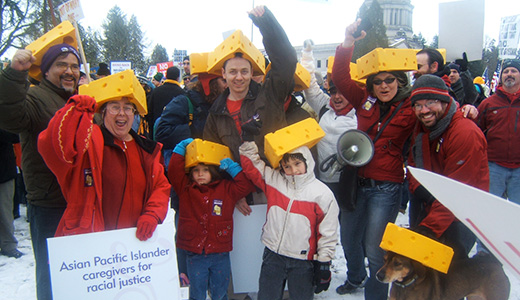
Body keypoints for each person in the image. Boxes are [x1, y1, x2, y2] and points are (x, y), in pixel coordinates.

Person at [331, 19, 416, 299]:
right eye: (378, 81)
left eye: (390, 79)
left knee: (375, 249)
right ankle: (355, 277)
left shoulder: (411, 106)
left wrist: (462, 108)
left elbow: (435, 113)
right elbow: (341, 78)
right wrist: (347, 42)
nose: (383, 85)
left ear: (400, 81)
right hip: (357, 182)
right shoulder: (364, 99)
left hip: (386, 187)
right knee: (348, 239)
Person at [0, 44, 80, 300]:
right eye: (61, 65)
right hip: (50, 203)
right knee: (52, 275)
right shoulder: (35, 97)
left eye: (74, 66)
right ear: (45, 71)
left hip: (79, 201)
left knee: (77, 273)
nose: (69, 71)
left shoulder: (77, 98)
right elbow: (10, 116)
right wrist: (15, 74)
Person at [38, 87, 170, 238]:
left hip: (135, 244)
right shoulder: (89, 142)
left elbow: (161, 186)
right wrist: (74, 112)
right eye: (115, 107)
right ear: (103, 112)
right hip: (94, 242)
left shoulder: (146, 149)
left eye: (128, 108)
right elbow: (49, 145)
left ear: (134, 115)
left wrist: (152, 214)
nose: (122, 113)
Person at [203, 5, 297, 214]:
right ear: (223, 74)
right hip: (241, 194)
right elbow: (214, 159)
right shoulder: (215, 113)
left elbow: (287, 61)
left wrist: (267, 24)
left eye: (244, 71)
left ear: (251, 72)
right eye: (233, 72)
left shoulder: (270, 94)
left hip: (279, 184)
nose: (239, 77)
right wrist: (232, 191)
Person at [239, 141, 339, 300]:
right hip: (273, 256)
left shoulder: (322, 195)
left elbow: (328, 233)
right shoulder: (274, 180)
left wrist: (324, 263)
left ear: (307, 161)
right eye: (287, 166)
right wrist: (247, 141)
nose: (293, 170)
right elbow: (253, 167)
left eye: (297, 164)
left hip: (302, 263)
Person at [408, 74, 488, 259]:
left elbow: (457, 192)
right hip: (431, 205)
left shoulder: (464, 133)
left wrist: (428, 229)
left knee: (449, 273)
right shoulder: (422, 129)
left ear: (445, 101)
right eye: (418, 105)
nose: (424, 110)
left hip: (460, 215)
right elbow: (413, 165)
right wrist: (419, 189)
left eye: (430, 103)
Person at [168, 138, 255, 300]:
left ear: (213, 171)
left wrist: (233, 168)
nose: (200, 174)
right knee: (197, 293)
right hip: (195, 253)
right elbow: (173, 171)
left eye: (205, 170)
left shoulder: (226, 188)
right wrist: (180, 149)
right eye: (196, 170)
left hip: (219, 252)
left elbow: (245, 186)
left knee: (220, 292)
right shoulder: (186, 189)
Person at [477, 59, 520, 205]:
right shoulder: (488, 103)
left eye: (514, 71)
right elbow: (477, 131)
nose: (509, 74)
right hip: (494, 167)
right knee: (491, 208)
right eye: (506, 72)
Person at [0, 129, 23, 258]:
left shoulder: (4, 113)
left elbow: (15, 136)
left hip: (4, 171)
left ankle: (8, 245)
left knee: (4, 211)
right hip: (5, 170)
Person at [147, 66, 186, 133]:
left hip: (156, 131)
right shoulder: (182, 93)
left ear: (166, 76)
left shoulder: (156, 91)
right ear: (178, 78)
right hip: (174, 133)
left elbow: (149, 112)